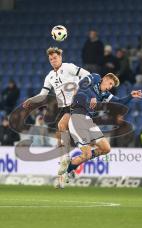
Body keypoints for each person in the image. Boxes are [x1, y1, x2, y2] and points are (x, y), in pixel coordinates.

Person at [23, 47, 89, 188]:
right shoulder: (50, 76)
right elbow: (43, 94)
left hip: (77, 103)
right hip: (65, 107)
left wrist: (80, 88)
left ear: (61, 57)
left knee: (61, 127)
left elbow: (87, 74)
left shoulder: (68, 67)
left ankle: (66, 160)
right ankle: (67, 169)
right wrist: (32, 99)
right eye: (51, 59)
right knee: (62, 133)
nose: (53, 60)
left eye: (55, 58)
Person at [61, 73, 142, 182]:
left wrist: (130, 96)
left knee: (106, 148)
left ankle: (72, 164)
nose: (110, 87)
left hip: (88, 121)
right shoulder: (95, 77)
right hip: (77, 119)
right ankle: (67, 172)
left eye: (112, 86)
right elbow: (82, 84)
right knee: (87, 154)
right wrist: (93, 96)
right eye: (110, 83)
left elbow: (118, 102)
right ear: (105, 78)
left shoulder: (104, 94)